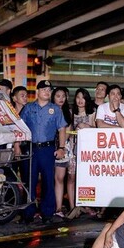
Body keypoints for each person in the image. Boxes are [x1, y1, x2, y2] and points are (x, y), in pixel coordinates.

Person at [20, 79, 69, 225]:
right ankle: (28, 213)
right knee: (30, 181)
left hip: (48, 150)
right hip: (31, 149)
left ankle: (47, 213)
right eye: (44, 90)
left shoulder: (55, 109)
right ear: (38, 92)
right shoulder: (28, 108)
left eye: (49, 90)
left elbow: (62, 129)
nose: (47, 92)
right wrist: (17, 145)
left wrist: (61, 148)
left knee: (48, 182)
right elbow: (20, 127)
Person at [66, 88, 97, 218]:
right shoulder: (70, 112)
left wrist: (87, 127)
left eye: (83, 97)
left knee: (86, 179)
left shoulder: (92, 113)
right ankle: (73, 206)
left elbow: (97, 130)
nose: (80, 100)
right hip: (73, 149)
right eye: (78, 97)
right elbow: (67, 131)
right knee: (71, 177)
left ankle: (86, 205)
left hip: (87, 151)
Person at [52, 86, 73, 218]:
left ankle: (59, 208)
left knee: (60, 178)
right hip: (46, 147)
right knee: (48, 179)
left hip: (62, 148)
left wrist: (61, 146)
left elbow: (68, 132)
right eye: (58, 96)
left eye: (63, 96)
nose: (61, 99)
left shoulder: (67, 112)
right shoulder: (48, 110)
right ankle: (51, 206)